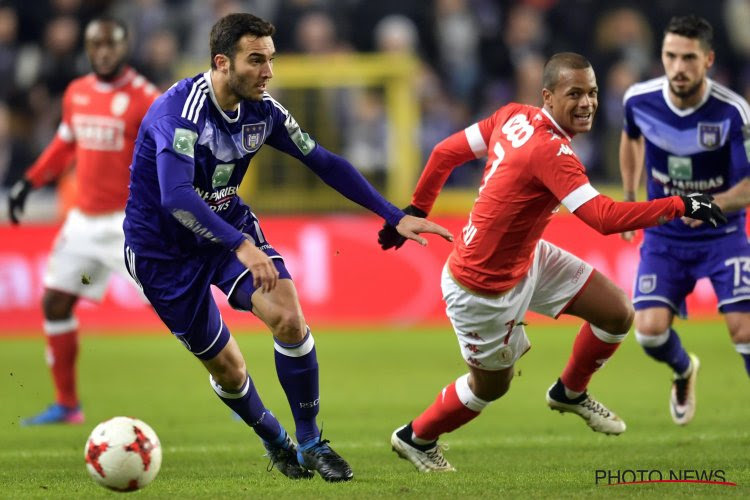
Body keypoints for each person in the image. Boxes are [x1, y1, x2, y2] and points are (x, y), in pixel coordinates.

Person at [122, 12, 452, 483]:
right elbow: (175, 197)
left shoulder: (263, 111)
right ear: (222, 62)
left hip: (224, 225)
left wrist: (393, 214)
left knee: (289, 316)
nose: (268, 72)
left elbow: (324, 162)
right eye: (256, 61)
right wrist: (241, 246)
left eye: (271, 60)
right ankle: (276, 439)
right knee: (230, 371)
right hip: (163, 253)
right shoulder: (178, 115)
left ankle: (313, 441)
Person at [377, 52, 727, 473]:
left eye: (593, 93)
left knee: (617, 312)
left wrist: (415, 209)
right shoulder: (551, 152)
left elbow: (444, 153)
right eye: (574, 93)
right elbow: (603, 218)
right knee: (490, 389)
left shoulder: (512, 115)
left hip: (526, 258)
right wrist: (682, 203)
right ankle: (416, 436)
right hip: (481, 287)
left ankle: (570, 391)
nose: (587, 103)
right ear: (548, 95)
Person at [7, 17, 159, 426]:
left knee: (176, 309)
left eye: (111, 44)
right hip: (83, 225)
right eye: (97, 45)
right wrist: (29, 181)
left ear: (125, 46)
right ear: (88, 49)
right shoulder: (77, 93)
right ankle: (67, 405)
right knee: (55, 301)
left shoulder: (147, 99)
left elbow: (170, 156)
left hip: (129, 224)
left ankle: (236, 384)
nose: (104, 51)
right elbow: (64, 145)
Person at [619, 15, 750, 426]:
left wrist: (707, 206)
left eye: (688, 58)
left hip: (723, 234)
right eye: (670, 56)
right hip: (665, 236)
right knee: (649, 333)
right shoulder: (639, 101)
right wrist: (628, 197)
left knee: (744, 331)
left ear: (708, 59)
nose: (678, 67)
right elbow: (632, 138)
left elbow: (747, 187)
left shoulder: (733, 113)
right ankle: (683, 370)